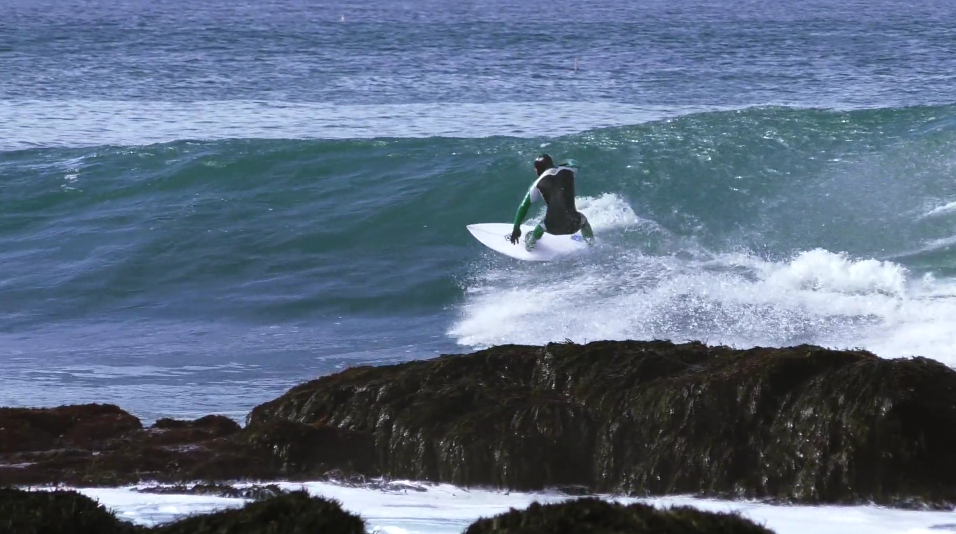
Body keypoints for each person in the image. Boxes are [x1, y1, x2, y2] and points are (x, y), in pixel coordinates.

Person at [509, 154, 594, 251]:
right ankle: (591, 245)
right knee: (583, 220)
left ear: (538, 170)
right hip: (574, 224)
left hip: (552, 227)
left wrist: (516, 228)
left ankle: (530, 245)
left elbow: (523, 206)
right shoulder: (569, 171)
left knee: (541, 224)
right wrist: (562, 163)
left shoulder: (537, 184)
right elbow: (574, 163)